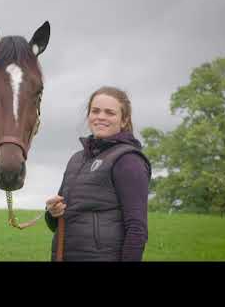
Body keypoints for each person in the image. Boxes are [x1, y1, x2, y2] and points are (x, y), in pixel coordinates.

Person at [45, 86, 152, 261]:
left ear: (124, 120)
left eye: (110, 113)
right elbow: (57, 224)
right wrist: (52, 212)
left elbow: (137, 229)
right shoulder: (76, 159)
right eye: (95, 111)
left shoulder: (128, 160)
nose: (101, 117)